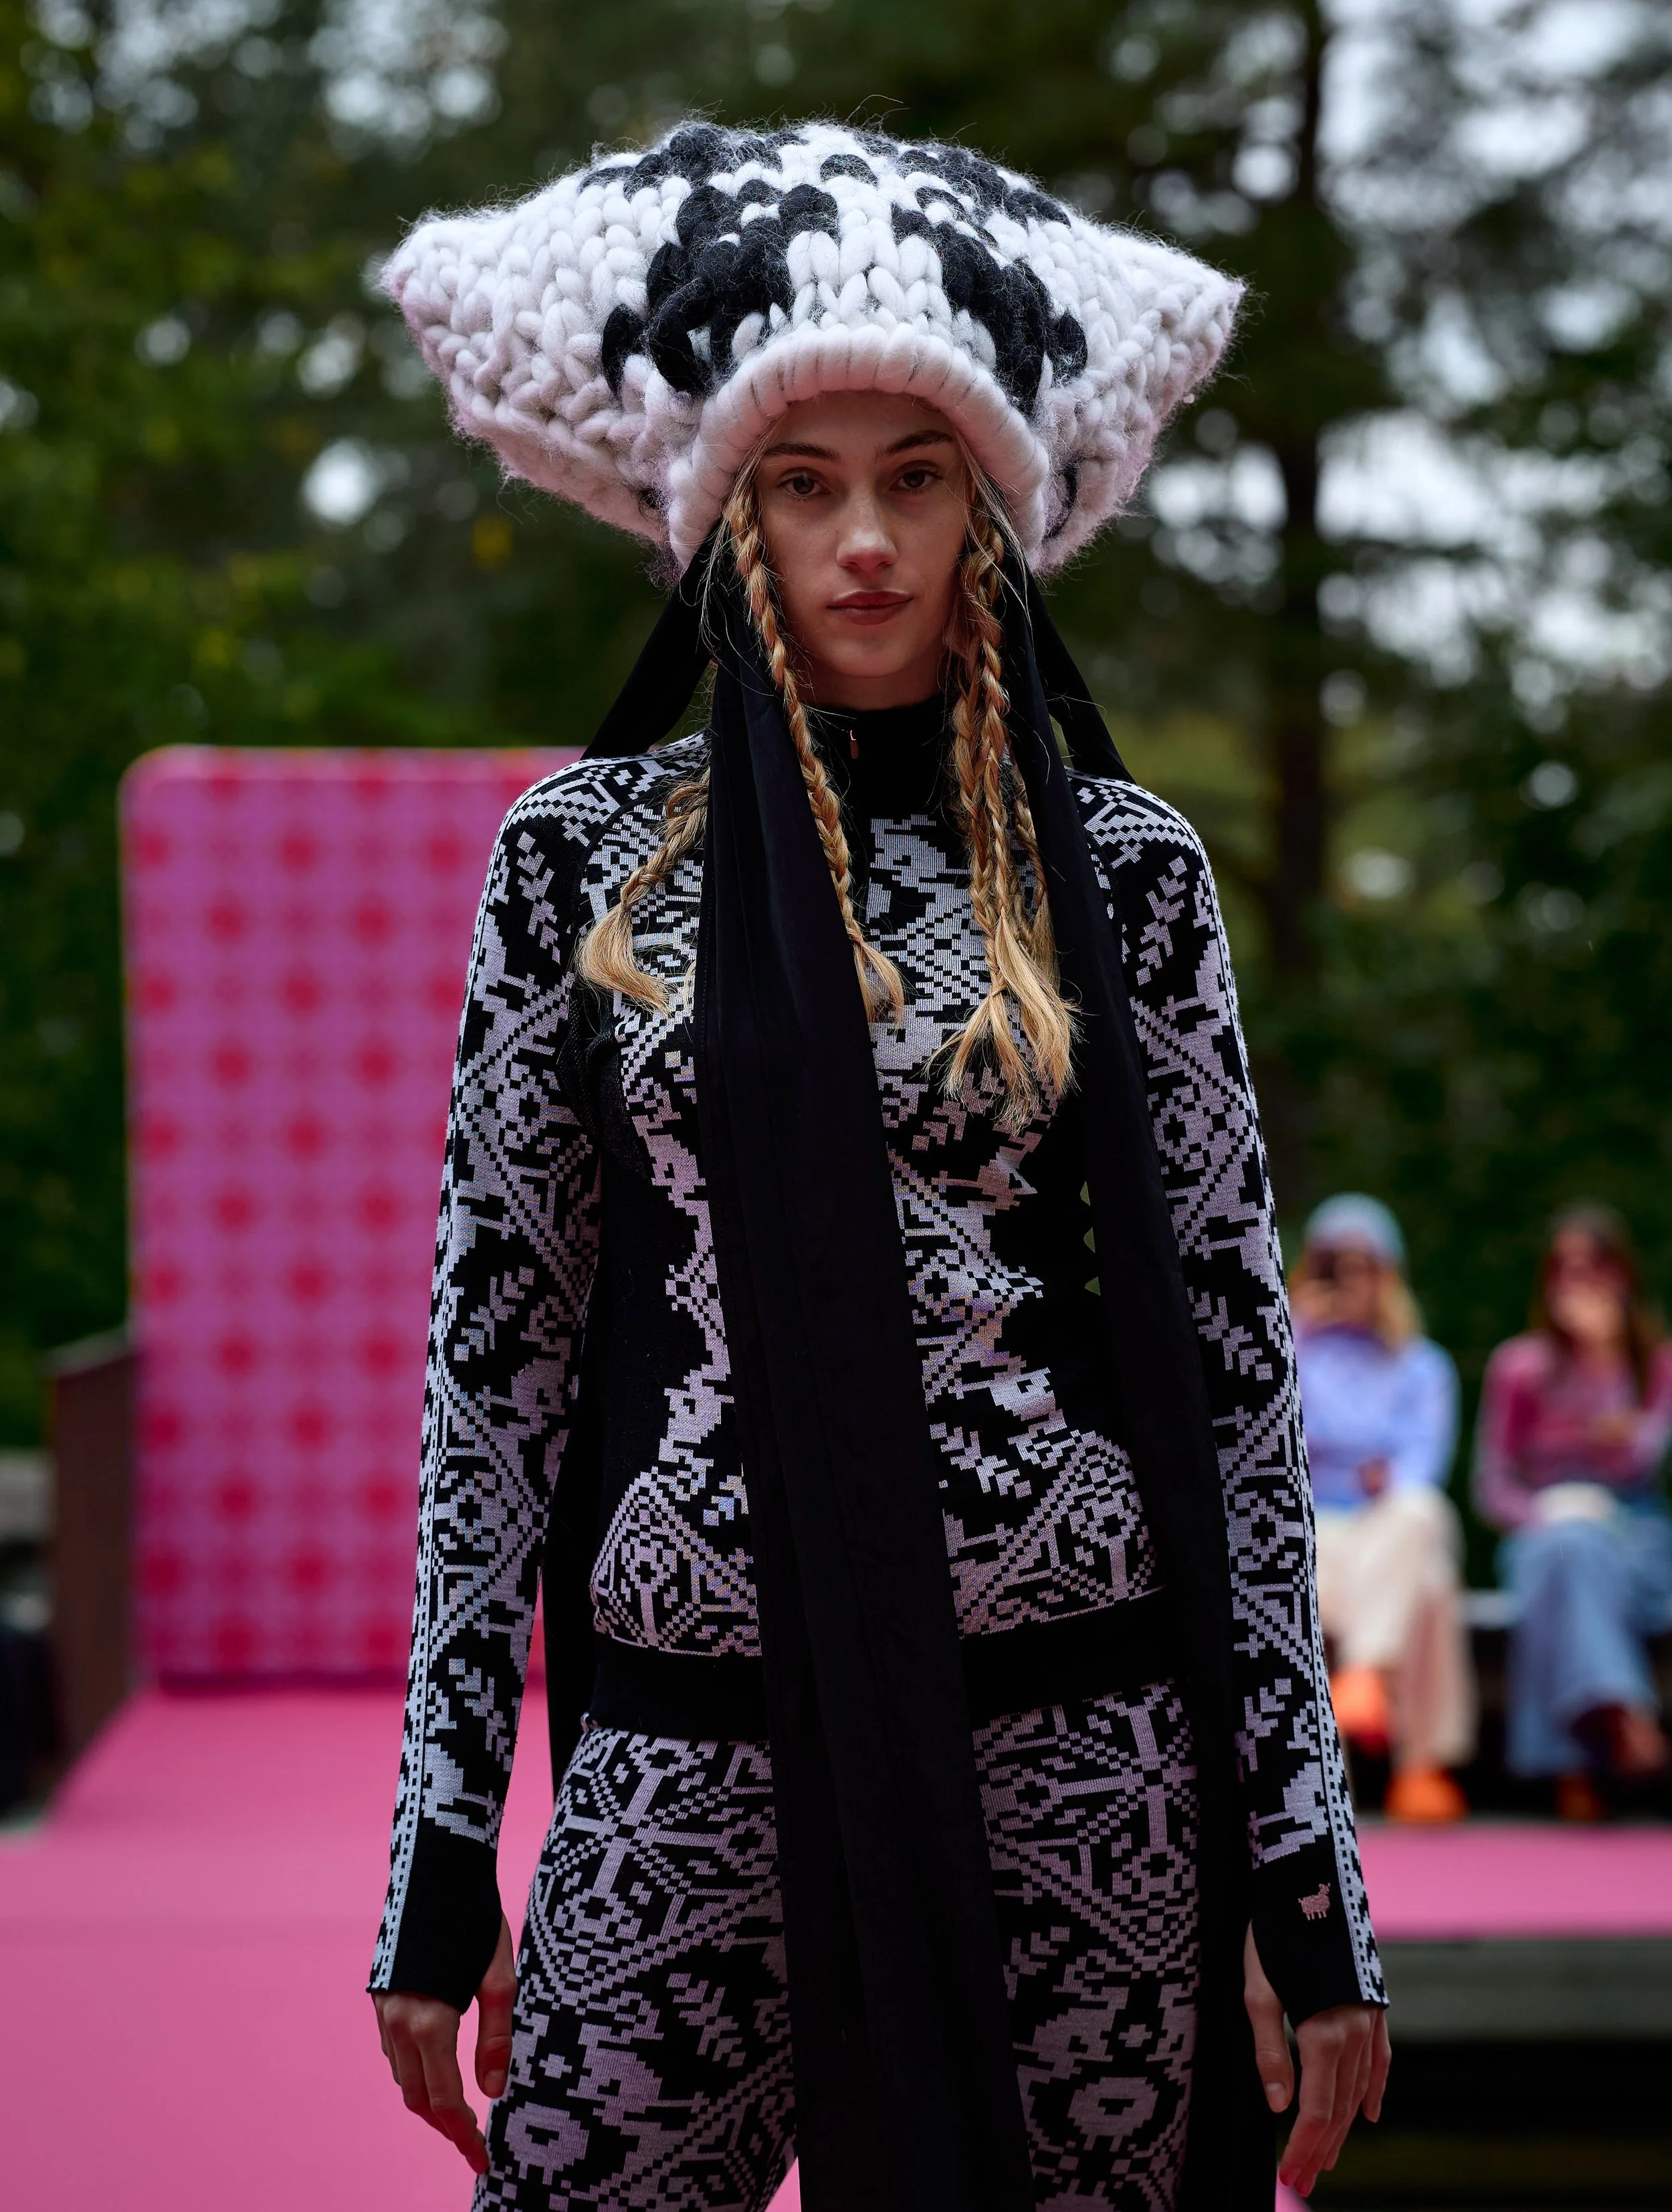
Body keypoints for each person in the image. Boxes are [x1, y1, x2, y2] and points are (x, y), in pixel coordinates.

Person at [366, 120, 1389, 2211]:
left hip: (1078, 1735)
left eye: (914, 478)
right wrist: (441, 1853)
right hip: (695, 1725)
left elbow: (1230, 1381)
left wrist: (1306, 1885)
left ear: (985, 506)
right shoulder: (579, 860)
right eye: (801, 482)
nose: (862, 540)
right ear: (721, 512)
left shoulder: (1125, 871)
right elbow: (499, 1367)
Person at [1474, 1203, 1672, 1821]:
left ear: (1622, 1275)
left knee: (1576, 1559)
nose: (1578, 1281)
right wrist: (1545, 1513)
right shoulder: (1518, 1366)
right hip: (1544, 1530)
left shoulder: (1654, 1362)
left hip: (1634, 1533)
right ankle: (1624, 1716)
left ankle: (1571, 1768)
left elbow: (1639, 1461)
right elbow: (1491, 1485)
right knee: (1565, 1551)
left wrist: (1605, 1360)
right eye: (1565, 1267)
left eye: (1593, 1266)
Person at [1290, 1196, 1475, 1824]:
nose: (1349, 1280)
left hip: (1383, 1532)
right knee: (1430, 1584)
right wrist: (1292, 1327)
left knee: (1420, 1515)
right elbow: (1265, 1443)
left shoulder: (1422, 1367)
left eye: (1362, 1265)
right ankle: (1422, 1761)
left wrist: (1361, 1468)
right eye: (1333, 1265)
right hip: (1313, 1533)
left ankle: (1366, 1677)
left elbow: (1419, 1469)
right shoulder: (1287, 1351)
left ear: (1388, 1274)